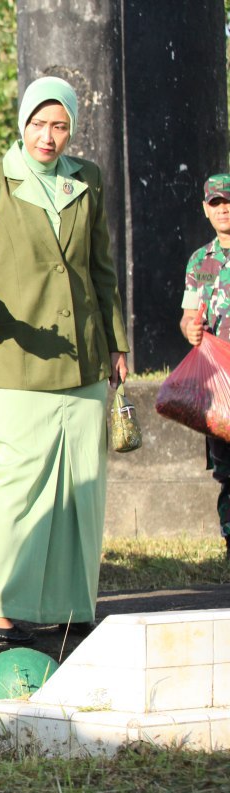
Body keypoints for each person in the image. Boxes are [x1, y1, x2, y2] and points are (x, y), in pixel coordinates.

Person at [0, 76, 128, 644]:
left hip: (87, 357)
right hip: (19, 357)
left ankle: (72, 603)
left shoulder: (87, 180)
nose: (49, 137)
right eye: (40, 124)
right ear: (23, 123)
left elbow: (102, 269)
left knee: (83, 484)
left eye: (61, 125)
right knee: (20, 481)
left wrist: (115, 344)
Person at [177, 173, 230, 559]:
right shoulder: (201, 260)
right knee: (227, 471)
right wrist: (190, 330)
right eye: (216, 203)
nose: (224, 208)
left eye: (228, 200)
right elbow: (188, 315)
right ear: (205, 209)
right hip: (219, 382)